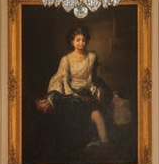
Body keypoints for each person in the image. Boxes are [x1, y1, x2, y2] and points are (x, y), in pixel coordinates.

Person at [35, 24, 113, 153]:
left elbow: (92, 77)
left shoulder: (91, 57)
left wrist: (95, 88)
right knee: (77, 109)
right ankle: (83, 144)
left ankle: (104, 145)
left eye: (83, 40)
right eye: (78, 40)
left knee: (98, 115)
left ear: (86, 40)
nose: (81, 43)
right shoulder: (66, 59)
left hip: (87, 93)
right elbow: (60, 78)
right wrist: (56, 96)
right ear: (72, 42)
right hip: (71, 93)